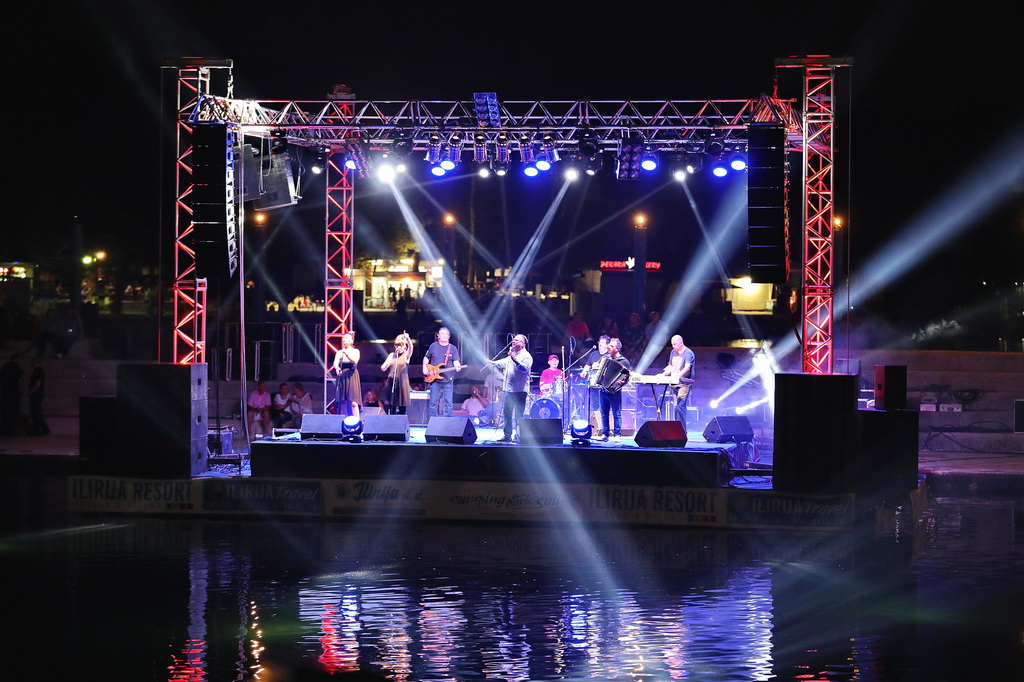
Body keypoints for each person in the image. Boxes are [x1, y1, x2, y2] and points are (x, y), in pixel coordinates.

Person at [488, 334, 532, 442]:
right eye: (513, 340)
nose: (514, 341)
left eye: (516, 340)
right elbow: (503, 363)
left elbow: (524, 368)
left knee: (518, 414)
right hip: (509, 390)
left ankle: (519, 436)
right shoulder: (512, 355)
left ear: (523, 344)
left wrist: (514, 358)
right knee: (507, 413)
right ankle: (507, 436)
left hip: (520, 391)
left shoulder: (526, 356)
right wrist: (492, 363)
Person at [422, 326, 463, 418]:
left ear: (449, 336)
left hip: (448, 380)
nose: (444, 336)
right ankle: (433, 421)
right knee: (433, 403)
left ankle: (447, 422)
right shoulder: (433, 346)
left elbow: (456, 361)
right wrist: (424, 367)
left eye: (446, 334)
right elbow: (426, 357)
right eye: (442, 334)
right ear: (438, 336)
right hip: (435, 380)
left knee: (448, 403)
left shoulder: (453, 348)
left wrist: (457, 366)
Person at [598, 338, 631, 442]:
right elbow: (600, 370)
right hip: (603, 390)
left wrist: (622, 381)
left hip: (614, 392)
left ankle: (617, 434)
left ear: (617, 349)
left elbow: (626, 378)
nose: (609, 347)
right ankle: (605, 434)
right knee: (604, 414)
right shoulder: (606, 359)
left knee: (617, 414)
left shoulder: (624, 362)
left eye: (611, 346)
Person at [661, 334, 695, 430]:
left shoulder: (688, 353)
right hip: (674, 384)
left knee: (680, 406)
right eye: (672, 344)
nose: (673, 346)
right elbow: (670, 366)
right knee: (676, 407)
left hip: (684, 383)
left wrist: (678, 375)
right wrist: (662, 375)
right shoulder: (673, 352)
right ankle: (677, 430)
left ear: (681, 342)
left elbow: (687, 367)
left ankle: (683, 431)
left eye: (675, 344)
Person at [381, 332, 413, 415]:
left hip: (402, 382)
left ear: (404, 346)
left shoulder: (406, 354)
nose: (398, 347)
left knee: (402, 406)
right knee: (392, 405)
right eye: (396, 345)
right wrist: (386, 365)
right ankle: (392, 421)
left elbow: (411, 348)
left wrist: (408, 339)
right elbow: (383, 368)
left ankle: (402, 421)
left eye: (400, 345)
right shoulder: (392, 355)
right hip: (392, 381)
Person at [331, 332, 361, 418]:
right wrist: (337, 368)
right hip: (342, 376)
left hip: (352, 376)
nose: (345, 340)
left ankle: (357, 421)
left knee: (353, 402)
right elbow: (335, 363)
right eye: (344, 338)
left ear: (352, 341)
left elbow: (355, 361)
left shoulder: (356, 351)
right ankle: (343, 420)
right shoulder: (339, 352)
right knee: (343, 402)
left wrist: (346, 354)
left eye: (347, 338)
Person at [1, 354, 24, 435]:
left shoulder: (5, 367)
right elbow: (23, 377)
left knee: (5, 411)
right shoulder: (16, 367)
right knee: (13, 412)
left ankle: (4, 429)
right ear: (16, 359)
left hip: (5, 393)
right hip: (14, 393)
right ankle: (11, 429)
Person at [28, 358, 49, 435]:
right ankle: (42, 428)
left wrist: (31, 391)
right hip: (38, 393)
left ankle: (37, 428)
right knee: (37, 411)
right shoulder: (39, 371)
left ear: (35, 363)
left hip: (36, 394)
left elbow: (38, 383)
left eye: (32, 362)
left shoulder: (38, 371)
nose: (31, 364)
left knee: (35, 412)